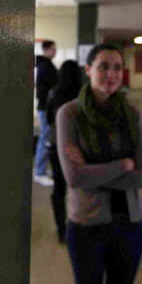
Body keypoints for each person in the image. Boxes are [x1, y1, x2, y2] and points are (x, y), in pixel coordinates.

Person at [57, 44, 142, 284]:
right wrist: (123, 165)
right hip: (87, 225)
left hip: (130, 225)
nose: (111, 74)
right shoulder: (70, 114)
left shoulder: (133, 115)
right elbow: (74, 178)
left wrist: (91, 168)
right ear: (88, 70)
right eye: (103, 67)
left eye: (117, 67)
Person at [46, 59, 82, 243]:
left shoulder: (54, 93)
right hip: (78, 148)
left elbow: (48, 118)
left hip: (56, 146)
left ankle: (61, 230)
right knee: (80, 186)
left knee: (58, 188)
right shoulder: (82, 95)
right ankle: (80, 225)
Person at [34, 40, 58, 186]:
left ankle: (40, 169)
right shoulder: (44, 66)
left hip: (47, 107)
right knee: (45, 138)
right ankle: (39, 173)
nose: (55, 51)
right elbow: (45, 90)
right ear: (47, 49)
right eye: (53, 49)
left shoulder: (46, 64)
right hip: (46, 108)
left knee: (46, 137)